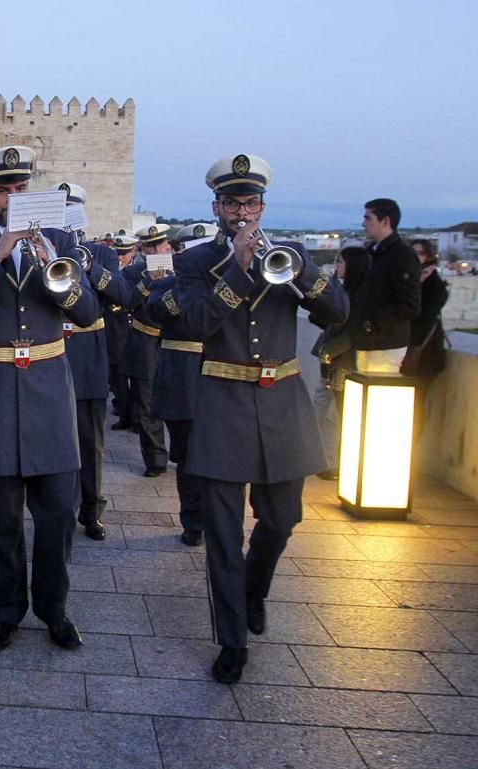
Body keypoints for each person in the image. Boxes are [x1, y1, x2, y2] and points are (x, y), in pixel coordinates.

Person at [175, 153, 347, 683]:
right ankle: (231, 642)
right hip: (223, 403)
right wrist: (241, 271)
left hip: (282, 404)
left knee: (282, 520)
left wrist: (304, 273)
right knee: (224, 536)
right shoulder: (197, 261)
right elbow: (198, 323)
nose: (242, 211)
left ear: (262, 205)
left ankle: (254, 589)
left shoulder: (291, 253)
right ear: (217, 207)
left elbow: (337, 312)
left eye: (250, 202)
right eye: (232, 203)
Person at [0, 145, 99, 652]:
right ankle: (7, 609)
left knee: (57, 517)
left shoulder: (59, 239)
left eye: (20, 188)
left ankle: (54, 608)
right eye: (2, 189)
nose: (13, 196)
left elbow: (88, 311)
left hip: (49, 395)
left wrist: (58, 272)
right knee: (3, 520)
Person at [52, 182, 131, 542]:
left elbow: (122, 294)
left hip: (87, 353)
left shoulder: (100, 251)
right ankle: (58, 508)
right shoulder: (44, 249)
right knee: (54, 436)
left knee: (90, 439)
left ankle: (91, 510)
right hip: (52, 351)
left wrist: (88, 263)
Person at [144, 223, 218, 545]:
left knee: (219, 454)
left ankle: (216, 518)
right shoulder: (168, 285)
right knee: (187, 456)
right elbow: (156, 311)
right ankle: (192, 521)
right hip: (180, 374)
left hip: (218, 374)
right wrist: (187, 287)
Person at [310, 246, 372, 481]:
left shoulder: (359, 298)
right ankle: (329, 461)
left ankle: (337, 464)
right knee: (324, 414)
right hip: (331, 364)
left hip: (341, 366)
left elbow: (352, 333)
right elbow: (322, 319)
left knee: (338, 415)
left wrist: (329, 353)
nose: (337, 267)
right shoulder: (343, 292)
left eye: (341, 263)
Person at [120, 226, 171, 477]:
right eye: (149, 246)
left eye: (158, 245)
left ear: (167, 246)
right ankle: (155, 458)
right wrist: (148, 279)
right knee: (147, 401)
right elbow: (127, 300)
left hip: (176, 343)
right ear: (141, 249)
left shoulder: (183, 270)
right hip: (146, 340)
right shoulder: (133, 272)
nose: (154, 250)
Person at [351, 198, 421, 373]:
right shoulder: (373, 254)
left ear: (385, 221)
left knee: (379, 397)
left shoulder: (402, 255)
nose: (363, 223)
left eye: (368, 218)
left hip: (385, 345)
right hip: (367, 342)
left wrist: (371, 324)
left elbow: (409, 305)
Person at [404, 239, 449, 440]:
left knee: (415, 406)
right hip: (406, 353)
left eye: (419, 253)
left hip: (422, 355)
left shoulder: (434, 286)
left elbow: (422, 317)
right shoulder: (409, 280)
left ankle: (410, 452)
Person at [106, 235, 137, 429]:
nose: (121, 257)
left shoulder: (138, 270)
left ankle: (136, 416)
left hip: (132, 326)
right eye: (118, 253)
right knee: (117, 374)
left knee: (136, 377)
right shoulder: (111, 268)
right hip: (114, 326)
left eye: (125, 253)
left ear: (133, 252)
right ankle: (124, 412)